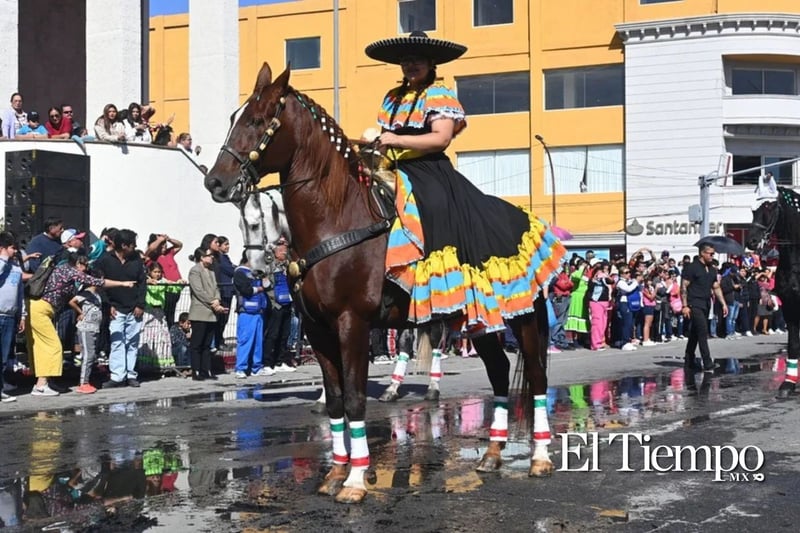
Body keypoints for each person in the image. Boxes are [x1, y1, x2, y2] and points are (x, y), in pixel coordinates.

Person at [364, 30, 563, 338]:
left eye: (416, 59)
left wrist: (396, 139)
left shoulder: (439, 94)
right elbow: (385, 137)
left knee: (435, 208)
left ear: (431, 63)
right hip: (394, 165)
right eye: (405, 60)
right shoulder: (392, 98)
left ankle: (443, 287)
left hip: (428, 170)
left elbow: (440, 138)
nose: (410, 64)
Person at [27, 253, 134, 396]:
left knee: (41, 347)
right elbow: (98, 282)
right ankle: (41, 385)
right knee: (53, 346)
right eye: (85, 265)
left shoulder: (62, 269)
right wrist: (122, 283)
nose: (86, 268)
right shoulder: (70, 271)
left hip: (37, 308)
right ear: (78, 264)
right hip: (41, 309)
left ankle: (46, 382)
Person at [94, 229, 147, 388]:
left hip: (134, 308)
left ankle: (131, 375)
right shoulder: (105, 260)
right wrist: (107, 305)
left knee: (132, 342)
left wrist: (140, 304)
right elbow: (99, 283)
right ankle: (117, 376)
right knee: (117, 341)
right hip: (115, 308)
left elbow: (142, 284)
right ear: (123, 245)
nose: (135, 247)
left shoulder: (137, 260)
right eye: (132, 244)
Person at [681, 244, 727, 372]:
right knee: (703, 331)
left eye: (713, 253)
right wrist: (684, 305)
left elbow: (716, 287)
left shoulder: (712, 269)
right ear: (702, 253)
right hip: (694, 303)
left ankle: (689, 358)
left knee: (695, 333)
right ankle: (707, 362)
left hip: (706, 303)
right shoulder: (692, 267)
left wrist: (723, 303)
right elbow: (684, 286)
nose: (712, 256)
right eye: (710, 253)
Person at [187, 247, 227, 380]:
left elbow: (216, 288)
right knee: (197, 343)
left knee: (207, 344)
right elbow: (198, 291)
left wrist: (217, 299)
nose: (212, 258)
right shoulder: (195, 271)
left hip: (211, 313)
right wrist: (213, 303)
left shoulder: (211, 271)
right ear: (202, 257)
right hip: (200, 312)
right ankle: (196, 370)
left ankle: (206, 369)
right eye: (209, 255)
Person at [232, 253, 269, 378]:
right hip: (247, 312)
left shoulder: (257, 272)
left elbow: (268, 286)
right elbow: (245, 290)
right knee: (245, 340)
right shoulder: (240, 273)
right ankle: (241, 368)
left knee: (258, 342)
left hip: (259, 311)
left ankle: (256, 367)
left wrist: (265, 279)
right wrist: (259, 289)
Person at [0, 233, 25, 403]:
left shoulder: (16, 268)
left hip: (9, 316)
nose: (15, 251)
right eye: (11, 248)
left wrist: (22, 315)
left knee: (3, 356)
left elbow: (19, 294)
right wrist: (2, 259)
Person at [69, 283, 103, 394]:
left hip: (94, 328)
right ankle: (84, 382)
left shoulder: (97, 294)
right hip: (86, 327)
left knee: (91, 354)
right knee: (88, 355)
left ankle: (86, 380)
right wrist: (80, 312)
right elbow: (72, 301)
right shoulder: (86, 293)